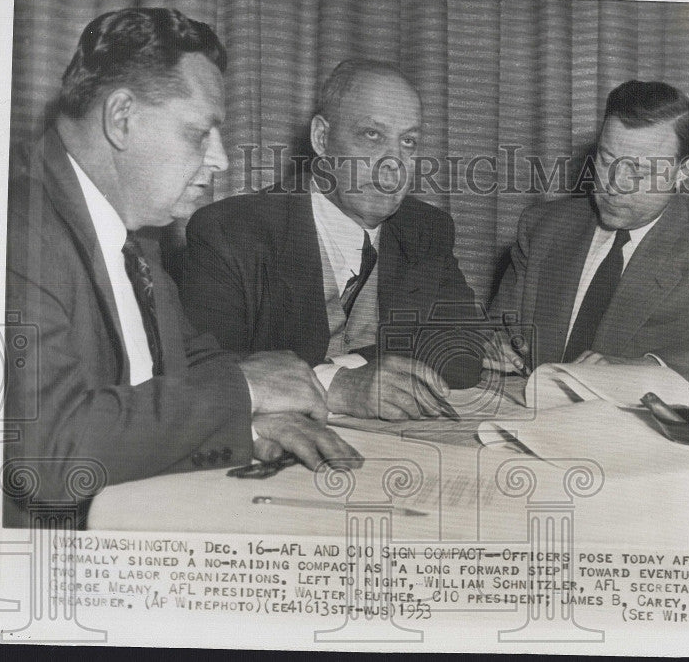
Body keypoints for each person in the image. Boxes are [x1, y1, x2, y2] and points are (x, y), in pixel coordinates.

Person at [4, 8, 361, 528]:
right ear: (121, 118)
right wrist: (244, 391)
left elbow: (186, 357)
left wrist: (251, 422)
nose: (220, 159)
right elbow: (48, 456)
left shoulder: (130, 228)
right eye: (199, 132)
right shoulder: (12, 227)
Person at [180, 59, 481, 421]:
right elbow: (201, 373)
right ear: (322, 138)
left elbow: (462, 351)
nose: (393, 165)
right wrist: (334, 383)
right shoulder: (231, 231)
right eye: (371, 135)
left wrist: (352, 364)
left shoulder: (427, 229)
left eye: (408, 142)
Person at [489, 80, 689, 396]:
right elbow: (496, 332)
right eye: (607, 159)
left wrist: (648, 367)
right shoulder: (544, 227)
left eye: (639, 172)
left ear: (683, 172)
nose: (614, 184)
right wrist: (483, 347)